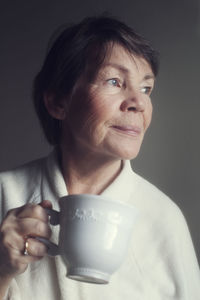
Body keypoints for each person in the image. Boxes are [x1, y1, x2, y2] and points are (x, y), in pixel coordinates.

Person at [0, 15, 199, 300]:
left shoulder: (165, 221)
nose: (139, 103)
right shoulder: (4, 195)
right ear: (58, 102)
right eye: (115, 81)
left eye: (146, 88)